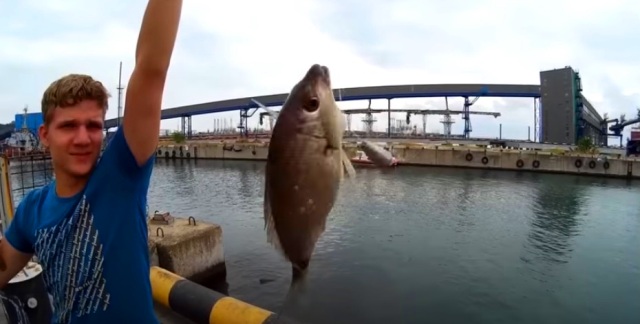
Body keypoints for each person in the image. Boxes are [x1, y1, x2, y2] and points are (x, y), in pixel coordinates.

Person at [0, 0, 182, 323]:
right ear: (44, 134)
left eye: (94, 126)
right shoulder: (32, 209)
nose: (84, 138)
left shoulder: (122, 176)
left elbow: (153, 67)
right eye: (69, 126)